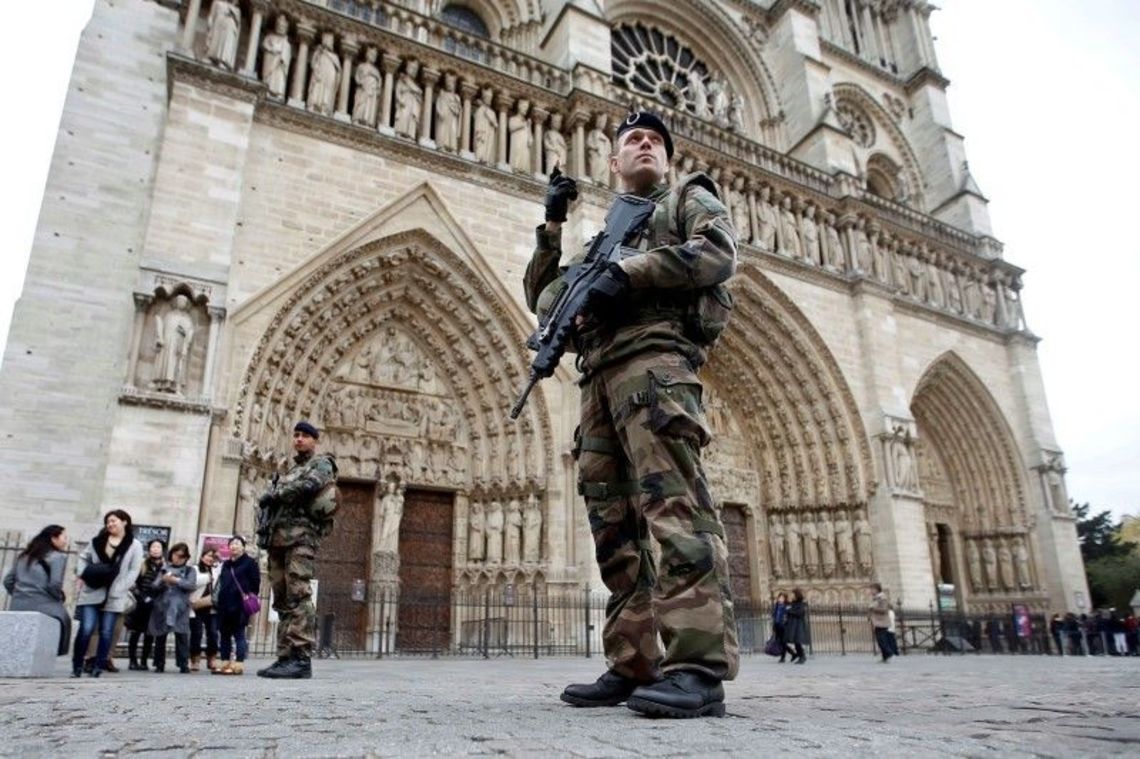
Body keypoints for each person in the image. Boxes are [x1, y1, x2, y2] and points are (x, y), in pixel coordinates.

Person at [528, 111, 738, 718]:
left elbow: (717, 254)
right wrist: (552, 224)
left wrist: (630, 272)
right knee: (613, 529)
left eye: (654, 141)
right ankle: (634, 661)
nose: (645, 145)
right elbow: (545, 303)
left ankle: (697, 668)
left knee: (676, 512)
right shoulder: (604, 239)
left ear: (665, 160)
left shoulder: (686, 200)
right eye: (632, 141)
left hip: (655, 366)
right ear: (613, 163)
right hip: (598, 380)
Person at [255, 420, 337, 680]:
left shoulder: (322, 464)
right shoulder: (290, 470)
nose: (299, 439)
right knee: (281, 598)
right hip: (278, 538)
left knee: (299, 593)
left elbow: (310, 486)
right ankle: (285, 656)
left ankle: (301, 657)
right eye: (296, 435)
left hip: (301, 538)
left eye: (305, 436)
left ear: (315, 440)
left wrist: (277, 494)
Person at [72, 509, 143, 677]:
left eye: (113, 520)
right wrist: (84, 574)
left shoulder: (135, 544)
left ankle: (99, 666)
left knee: (106, 632)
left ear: (124, 521)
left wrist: (122, 587)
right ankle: (77, 665)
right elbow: (83, 557)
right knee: (86, 628)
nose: (110, 524)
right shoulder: (97, 541)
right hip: (92, 590)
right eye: (108, 522)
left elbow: (134, 570)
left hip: (115, 593)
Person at [3, 525, 71, 655]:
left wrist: (20, 594)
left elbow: (8, 581)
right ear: (53, 538)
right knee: (64, 619)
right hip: (45, 605)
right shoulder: (58, 557)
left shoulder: (24, 556)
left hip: (18, 604)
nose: (66, 541)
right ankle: (56, 653)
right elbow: (54, 584)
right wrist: (58, 598)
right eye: (64, 537)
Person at [147, 542, 197, 673]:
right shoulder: (164, 568)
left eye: (182, 556)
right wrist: (163, 581)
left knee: (181, 636)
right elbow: (154, 586)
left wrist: (176, 581)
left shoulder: (190, 570)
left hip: (180, 608)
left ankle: (183, 663)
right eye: (176, 555)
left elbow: (191, 585)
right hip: (163, 606)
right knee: (160, 636)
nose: (178, 558)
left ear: (186, 557)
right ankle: (159, 663)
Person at [214, 536, 261, 675]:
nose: (234, 546)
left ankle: (239, 663)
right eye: (232, 544)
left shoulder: (250, 562)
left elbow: (255, 582)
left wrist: (249, 594)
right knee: (224, 635)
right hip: (224, 604)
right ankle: (225, 661)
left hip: (239, 604)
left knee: (239, 634)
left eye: (237, 544)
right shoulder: (226, 564)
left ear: (243, 546)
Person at [126, 539, 166, 670]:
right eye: (153, 547)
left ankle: (144, 661)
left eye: (158, 547)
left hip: (156, 605)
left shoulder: (165, 567)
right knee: (136, 633)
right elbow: (133, 584)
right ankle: (132, 661)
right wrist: (143, 597)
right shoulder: (142, 564)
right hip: (140, 604)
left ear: (162, 550)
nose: (155, 549)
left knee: (150, 634)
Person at [188, 547, 220, 671]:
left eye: (212, 556)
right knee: (196, 634)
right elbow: (192, 583)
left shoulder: (217, 571)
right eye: (207, 555)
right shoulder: (194, 569)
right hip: (197, 605)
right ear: (202, 556)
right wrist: (207, 578)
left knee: (213, 633)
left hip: (212, 607)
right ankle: (195, 659)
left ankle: (211, 658)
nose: (209, 558)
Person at [868, 582, 893, 662]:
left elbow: (884, 609)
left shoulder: (882, 598)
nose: (871, 591)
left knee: (882, 639)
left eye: (872, 589)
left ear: (876, 589)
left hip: (882, 621)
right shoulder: (876, 598)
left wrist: (873, 608)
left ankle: (889, 652)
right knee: (880, 640)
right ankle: (885, 657)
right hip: (878, 621)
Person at [784, 588, 808, 664]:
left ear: (796, 595)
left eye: (792, 594)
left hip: (798, 625)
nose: (791, 596)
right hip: (793, 625)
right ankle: (800, 656)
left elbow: (799, 613)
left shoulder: (801, 604)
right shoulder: (793, 603)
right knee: (795, 642)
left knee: (798, 641)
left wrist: (789, 611)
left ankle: (802, 657)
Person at [772, 592, 793, 663]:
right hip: (777, 625)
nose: (780, 599)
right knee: (780, 642)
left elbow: (788, 616)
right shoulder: (777, 606)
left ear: (785, 599)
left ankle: (783, 657)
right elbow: (774, 615)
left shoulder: (787, 606)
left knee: (783, 642)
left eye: (782, 598)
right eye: (779, 597)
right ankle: (793, 654)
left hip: (783, 626)